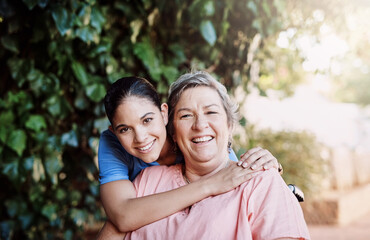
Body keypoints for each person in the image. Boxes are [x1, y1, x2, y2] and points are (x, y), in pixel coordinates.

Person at [124, 71, 310, 239]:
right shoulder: (148, 181)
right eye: (186, 116)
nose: (200, 125)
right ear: (172, 131)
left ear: (229, 125)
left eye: (211, 112)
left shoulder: (260, 181)